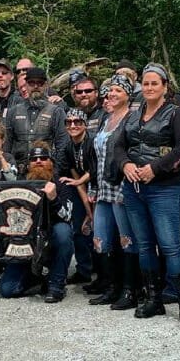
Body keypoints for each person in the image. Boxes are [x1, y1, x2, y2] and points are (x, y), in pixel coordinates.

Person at [112, 63, 180, 327]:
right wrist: (125, 164)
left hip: (165, 187)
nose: (149, 88)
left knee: (171, 245)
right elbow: (118, 145)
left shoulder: (176, 113)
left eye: (154, 84)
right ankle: (153, 298)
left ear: (164, 87)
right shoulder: (132, 114)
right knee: (144, 245)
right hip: (134, 188)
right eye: (146, 83)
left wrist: (156, 168)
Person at [0, 143, 76, 302]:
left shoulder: (62, 183)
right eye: (34, 159)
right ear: (28, 164)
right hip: (24, 242)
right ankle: (37, 276)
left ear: (51, 162)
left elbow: (67, 217)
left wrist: (54, 198)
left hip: (50, 238)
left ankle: (56, 284)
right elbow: (0, 196)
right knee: (8, 290)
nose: (39, 161)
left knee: (64, 232)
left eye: (43, 158)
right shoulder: (19, 182)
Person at [86, 76, 139, 309]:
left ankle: (130, 290)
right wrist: (93, 186)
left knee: (126, 240)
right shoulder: (105, 119)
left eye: (118, 90)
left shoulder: (132, 119)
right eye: (109, 91)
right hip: (102, 186)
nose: (112, 94)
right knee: (101, 238)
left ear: (128, 94)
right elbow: (94, 157)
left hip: (121, 187)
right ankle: (110, 286)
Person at [4, 67, 69, 176]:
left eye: (40, 83)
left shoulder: (57, 112)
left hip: (46, 174)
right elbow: (6, 147)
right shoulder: (13, 112)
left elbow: (62, 147)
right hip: (19, 175)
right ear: (26, 85)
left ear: (46, 85)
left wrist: (56, 173)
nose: (35, 86)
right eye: (31, 83)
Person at [62, 108, 96, 286]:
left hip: (98, 185)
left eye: (77, 122)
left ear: (84, 124)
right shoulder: (68, 146)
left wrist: (92, 210)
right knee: (78, 228)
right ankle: (83, 269)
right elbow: (76, 178)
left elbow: (95, 171)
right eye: (69, 122)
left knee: (98, 229)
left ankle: (102, 272)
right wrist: (86, 209)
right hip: (81, 187)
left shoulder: (92, 142)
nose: (73, 125)